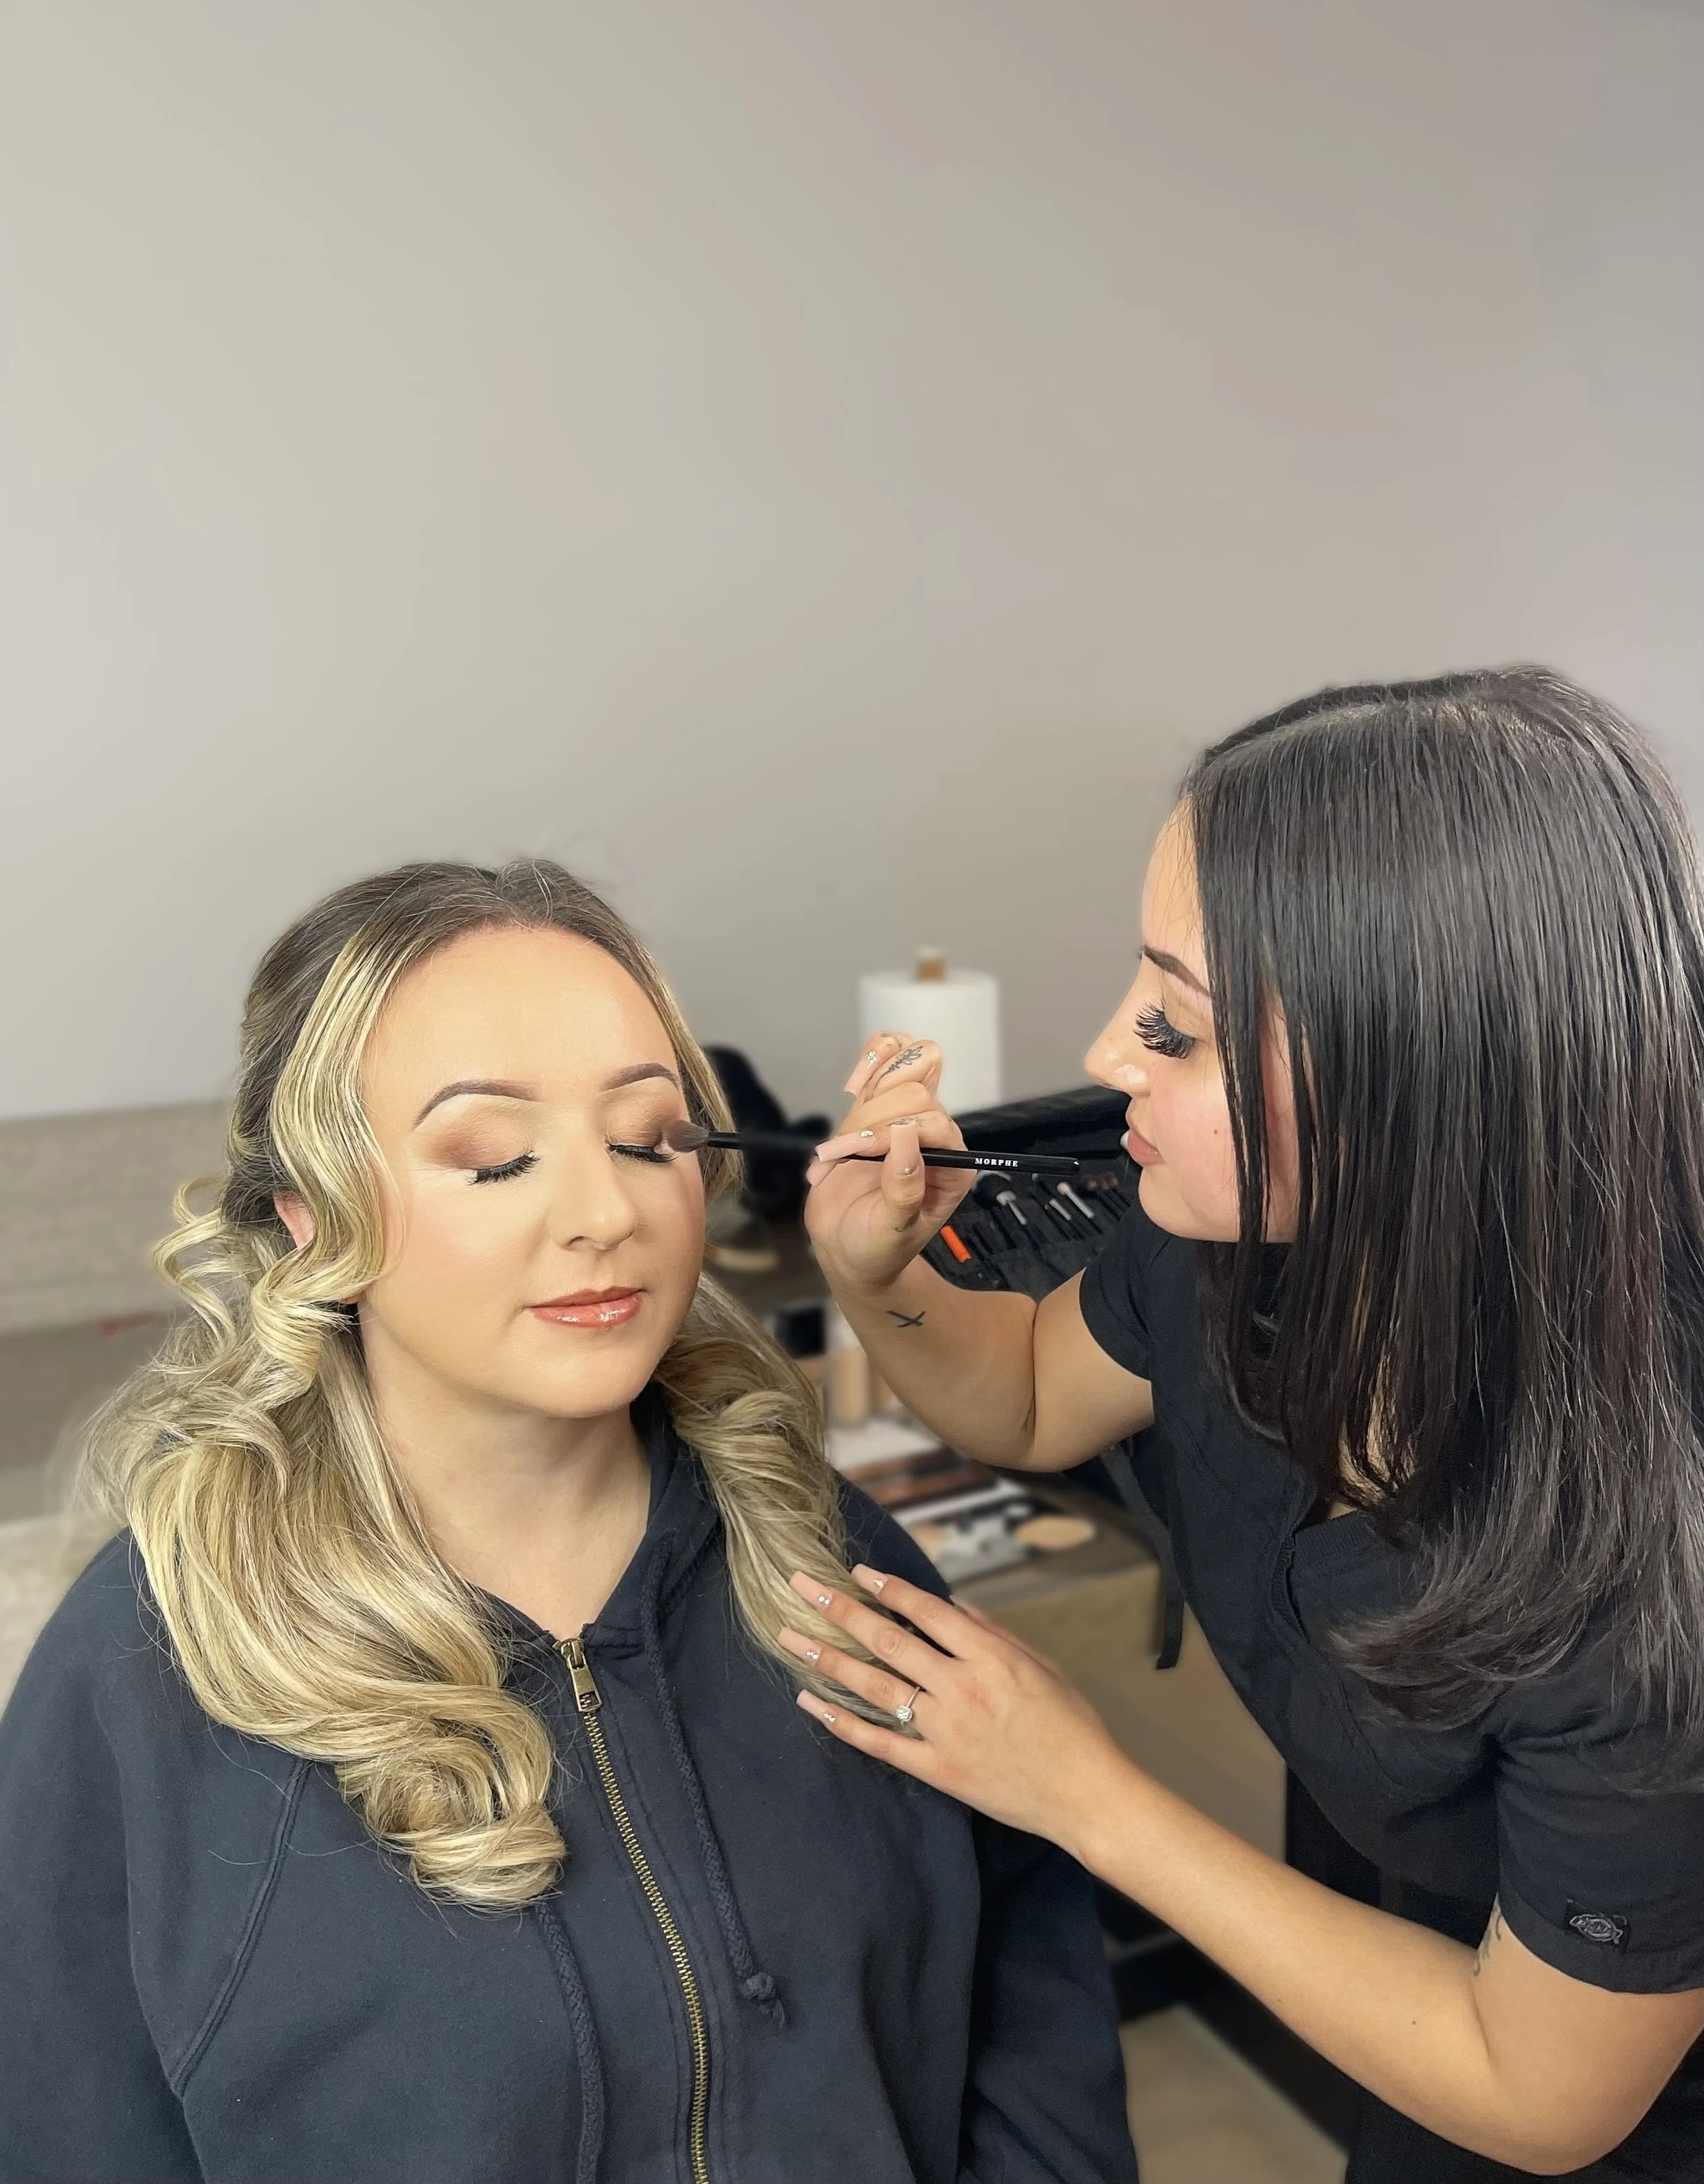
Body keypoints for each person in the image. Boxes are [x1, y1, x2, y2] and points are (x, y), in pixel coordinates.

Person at [0, 860, 1135, 2184]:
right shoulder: (143, 1684)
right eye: (493, 1159)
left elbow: (1027, 2002)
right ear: (314, 1216)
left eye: (648, 1139)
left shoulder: (824, 1556)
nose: (606, 1214)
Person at [791, 670, 1704, 2182]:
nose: (1104, 1058)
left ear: (1415, 1078)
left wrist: (1082, 1792)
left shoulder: (1651, 1574)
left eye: (1176, 1025)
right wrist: (869, 1274)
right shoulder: (1231, 1240)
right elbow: (1023, 1388)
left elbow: (1543, 2092)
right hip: (1422, 1986)